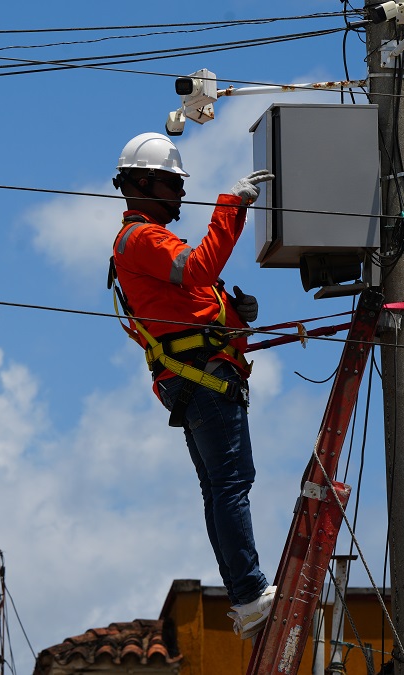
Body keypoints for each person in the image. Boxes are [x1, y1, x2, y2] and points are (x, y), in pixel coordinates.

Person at [107, 132, 276, 638]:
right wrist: (233, 205)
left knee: (222, 487)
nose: (181, 195)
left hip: (196, 376)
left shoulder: (151, 243)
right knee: (230, 484)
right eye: (172, 184)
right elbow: (202, 267)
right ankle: (248, 591)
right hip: (202, 378)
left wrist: (237, 315)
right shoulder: (144, 239)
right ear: (142, 182)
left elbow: (193, 303)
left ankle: (246, 593)